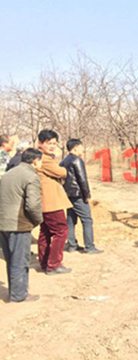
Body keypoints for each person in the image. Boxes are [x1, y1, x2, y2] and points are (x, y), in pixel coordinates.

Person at [0, 149, 44, 302]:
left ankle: (15, 291)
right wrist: (38, 220)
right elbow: (33, 205)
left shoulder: (8, 174)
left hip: (3, 223)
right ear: (35, 161)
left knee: (11, 259)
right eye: (41, 161)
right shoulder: (31, 176)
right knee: (20, 260)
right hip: (19, 224)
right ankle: (19, 295)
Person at [36, 129, 73, 275]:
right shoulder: (44, 159)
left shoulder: (43, 157)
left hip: (46, 202)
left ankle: (45, 262)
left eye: (54, 143)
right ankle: (54, 264)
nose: (52, 146)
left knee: (45, 232)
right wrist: (62, 168)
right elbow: (61, 172)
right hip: (50, 202)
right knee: (61, 231)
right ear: (40, 143)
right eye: (49, 143)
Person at [60, 139, 102, 254]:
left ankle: (72, 245)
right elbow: (82, 179)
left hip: (68, 194)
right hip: (78, 194)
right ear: (75, 147)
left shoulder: (64, 161)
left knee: (70, 219)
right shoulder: (77, 160)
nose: (83, 149)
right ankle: (89, 246)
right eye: (81, 147)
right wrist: (87, 195)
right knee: (87, 220)